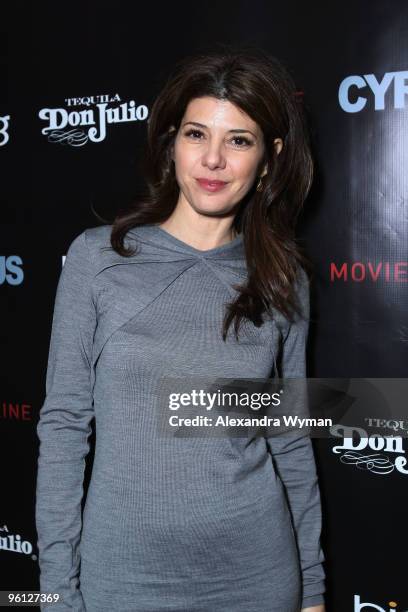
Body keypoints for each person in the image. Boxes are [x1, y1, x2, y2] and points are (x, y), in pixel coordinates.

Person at [35, 47, 326, 611]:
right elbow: (65, 429)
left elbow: (291, 438)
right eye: (197, 134)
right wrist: (54, 595)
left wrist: (311, 589)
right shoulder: (98, 261)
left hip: (258, 575)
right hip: (124, 578)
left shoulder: (281, 276)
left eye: (238, 140)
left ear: (270, 158)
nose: (212, 159)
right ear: (172, 142)